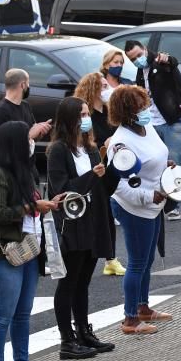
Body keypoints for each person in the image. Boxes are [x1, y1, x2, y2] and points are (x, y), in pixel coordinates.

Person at [0, 121, 59, 361]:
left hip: (28, 249)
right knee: (2, 314)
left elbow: (30, 210)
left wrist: (44, 207)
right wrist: (30, 207)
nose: (30, 143)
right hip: (4, 253)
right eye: (26, 138)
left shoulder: (25, 171)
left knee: (23, 314)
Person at [47, 97, 117, 359]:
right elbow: (61, 190)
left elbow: (103, 188)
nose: (87, 118)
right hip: (71, 224)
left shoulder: (89, 148)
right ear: (70, 119)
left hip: (91, 221)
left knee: (83, 282)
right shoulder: (58, 150)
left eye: (88, 113)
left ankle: (84, 331)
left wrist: (111, 166)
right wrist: (92, 176)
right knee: (69, 282)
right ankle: (67, 340)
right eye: (83, 114)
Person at [106, 85, 174, 335]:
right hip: (135, 206)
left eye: (145, 105)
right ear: (127, 112)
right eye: (140, 107)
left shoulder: (147, 128)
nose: (146, 110)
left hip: (155, 204)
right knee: (136, 263)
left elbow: (153, 156)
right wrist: (148, 196)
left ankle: (143, 307)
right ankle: (130, 319)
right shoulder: (121, 142)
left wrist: (165, 165)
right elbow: (119, 186)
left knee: (147, 260)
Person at [124, 40, 181, 222]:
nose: (138, 60)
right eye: (133, 59)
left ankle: (173, 205)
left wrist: (167, 59)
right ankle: (159, 200)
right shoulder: (140, 72)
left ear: (145, 50)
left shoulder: (160, 61)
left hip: (172, 120)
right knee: (156, 163)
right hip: (151, 122)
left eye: (139, 55)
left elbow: (173, 62)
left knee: (174, 161)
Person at [74, 72, 126, 278]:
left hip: (109, 167)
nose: (107, 89)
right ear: (93, 89)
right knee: (95, 213)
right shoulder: (87, 116)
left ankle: (110, 258)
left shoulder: (108, 112)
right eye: (103, 86)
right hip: (95, 167)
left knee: (106, 213)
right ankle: (100, 256)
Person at [0, 68, 52, 185]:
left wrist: (40, 132)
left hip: (30, 169)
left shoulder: (25, 106)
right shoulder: (0, 111)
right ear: (23, 85)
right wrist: (30, 135)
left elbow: (32, 138)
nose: (29, 87)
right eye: (28, 83)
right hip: (14, 175)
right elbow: (3, 147)